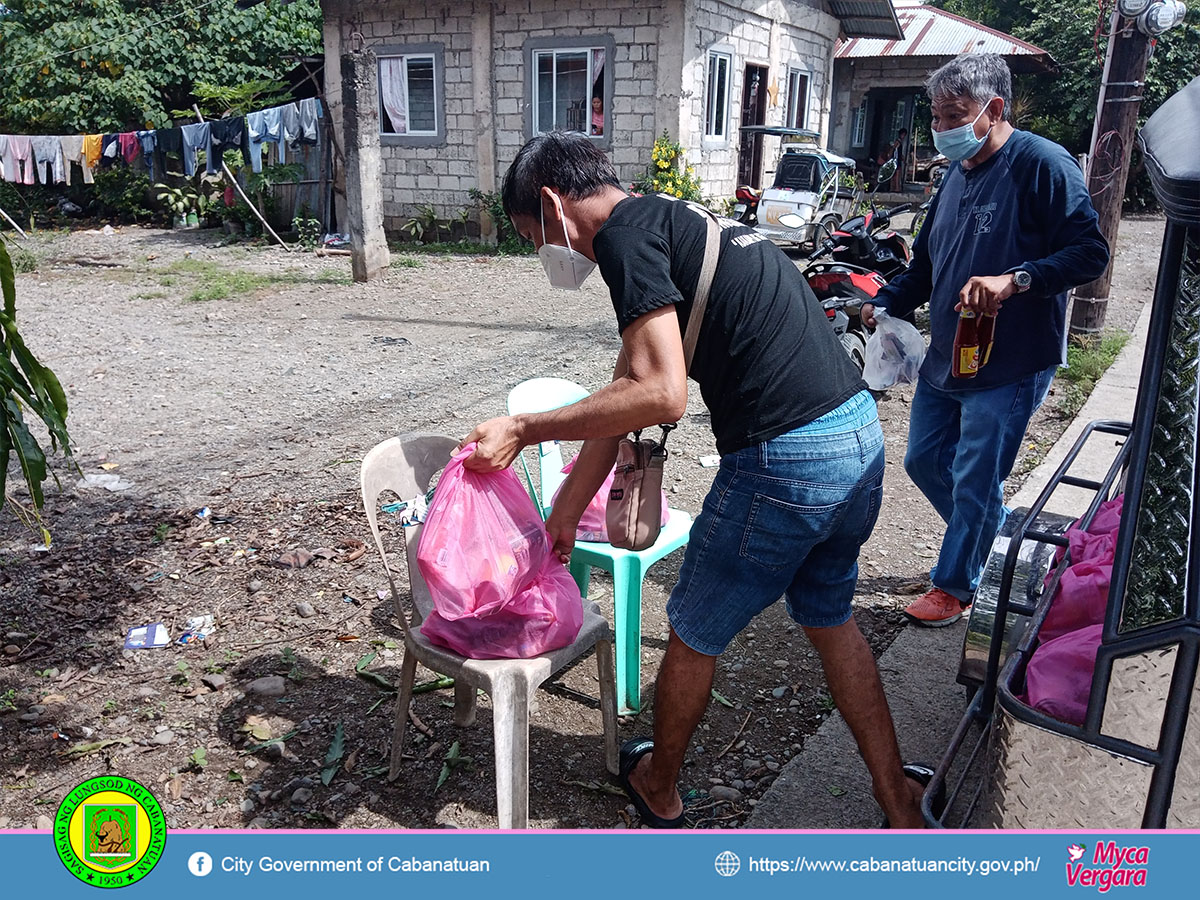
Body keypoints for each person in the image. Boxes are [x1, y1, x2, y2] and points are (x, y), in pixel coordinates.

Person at [459, 130, 930, 828]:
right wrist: (567, 512)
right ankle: (898, 800)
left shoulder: (622, 242)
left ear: (554, 204)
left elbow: (662, 396)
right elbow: (627, 389)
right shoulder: (673, 219)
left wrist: (525, 428)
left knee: (692, 630)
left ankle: (659, 785)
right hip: (857, 437)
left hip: (787, 459)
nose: (543, 253)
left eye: (533, 235)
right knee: (832, 622)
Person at [862, 54, 1109, 627]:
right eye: (937, 116)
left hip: (1011, 360)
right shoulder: (954, 176)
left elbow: (1089, 253)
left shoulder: (1042, 165)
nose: (942, 129)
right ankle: (996, 542)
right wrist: (887, 303)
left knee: (976, 476)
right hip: (949, 355)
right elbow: (925, 264)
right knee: (924, 459)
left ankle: (957, 584)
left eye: (955, 114)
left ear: (994, 109)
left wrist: (1015, 279)